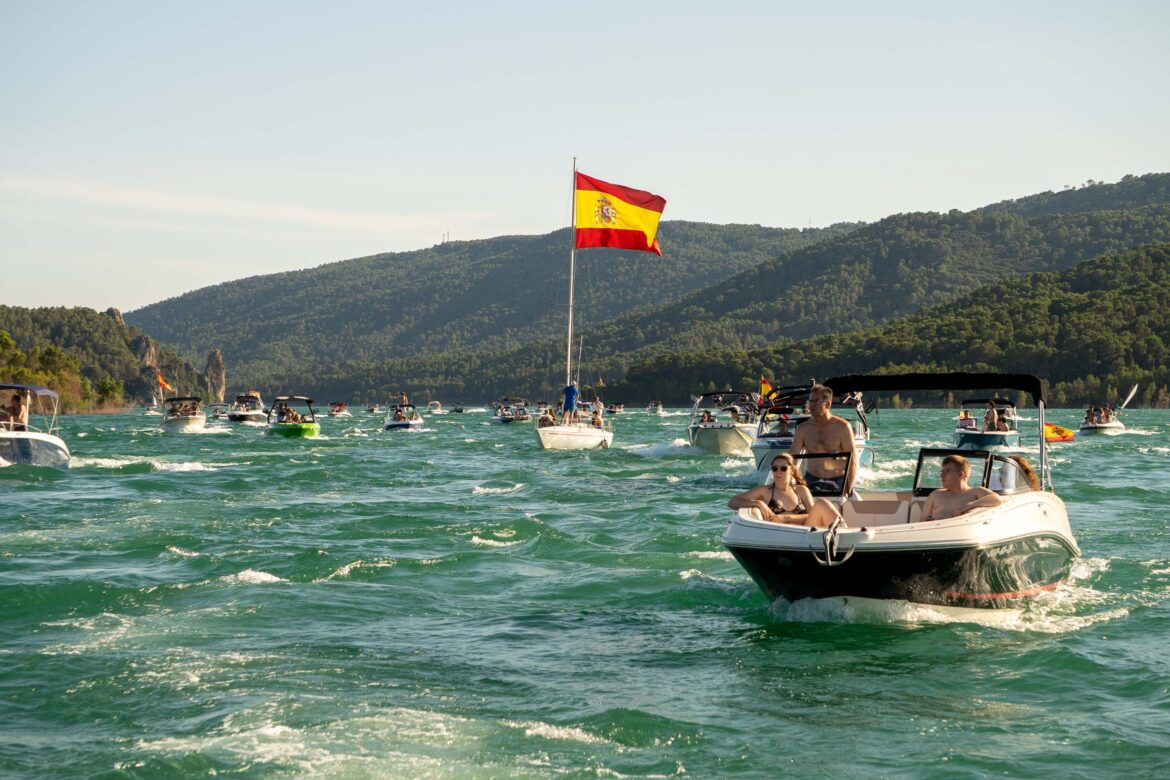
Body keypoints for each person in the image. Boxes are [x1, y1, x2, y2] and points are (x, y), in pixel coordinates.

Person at [728, 453, 843, 527]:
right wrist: (758, 503)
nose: (778, 472)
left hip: (805, 534)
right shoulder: (765, 491)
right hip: (781, 537)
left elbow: (813, 515)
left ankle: (847, 536)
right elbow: (733, 502)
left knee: (823, 504)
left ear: (792, 470)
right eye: (775, 468)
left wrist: (785, 518)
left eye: (783, 468)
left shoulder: (801, 490)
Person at [791, 384, 857, 495]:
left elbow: (852, 461)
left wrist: (848, 489)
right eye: (810, 401)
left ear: (827, 404)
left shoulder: (843, 427)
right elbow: (792, 457)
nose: (811, 405)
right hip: (810, 480)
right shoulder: (802, 428)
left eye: (816, 401)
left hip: (838, 481)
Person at [920, 454, 1002, 521]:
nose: (941, 476)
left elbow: (996, 499)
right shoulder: (935, 494)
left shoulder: (974, 492)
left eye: (946, 471)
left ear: (961, 474)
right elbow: (922, 522)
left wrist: (968, 506)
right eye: (942, 471)